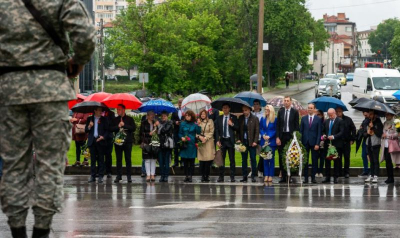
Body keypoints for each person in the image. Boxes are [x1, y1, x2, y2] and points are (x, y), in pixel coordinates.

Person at [0, 0, 95, 236]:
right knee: (50, 164)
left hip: (9, 90)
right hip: (50, 89)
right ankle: (42, 229)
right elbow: (85, 36)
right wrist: (77, 61)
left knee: (13, 164)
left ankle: (17, 230)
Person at [110, 104, 136, 183]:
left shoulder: (130, 119)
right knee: (119, 159)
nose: (118, 111)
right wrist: (118, 126)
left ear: (124, 110)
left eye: (119, 109)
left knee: (128, 159)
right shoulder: (115, 120)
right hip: (118, 142)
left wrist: (124, 125)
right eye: (117, 109)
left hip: (127, 142)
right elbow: (110, 128)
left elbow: (133, 128)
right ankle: (119, 175)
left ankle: (129, 176)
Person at [276, 96, 299, 183]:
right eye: (285, 101)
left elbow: (297, 126)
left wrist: (296, 138)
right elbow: (278, 125)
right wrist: (277, 137)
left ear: (291, 102)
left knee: (291, 156)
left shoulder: (295, 112)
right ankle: (283, 176)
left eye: (287, 101)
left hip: (291, 136)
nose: (286, 102)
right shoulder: (281, 111)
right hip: (282, 136)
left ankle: (290, 176)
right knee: (282, 156)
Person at [215, 103, 239, 182]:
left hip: (230, 141)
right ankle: (221, 176)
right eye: (223, 108)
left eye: (226, 108)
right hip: (222, 141)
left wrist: (231, 124)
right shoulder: (219, 118)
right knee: (222, 159)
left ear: (229, 109)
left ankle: (232, 176)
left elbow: (237, 128)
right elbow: (217, 130)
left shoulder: (233, 117)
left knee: (232, 159)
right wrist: (217, 140)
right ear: (222, 109)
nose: (225, 109)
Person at [85, 107, 109, 184]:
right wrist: (89, 126)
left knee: (101, 159)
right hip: (92, 141)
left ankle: (101, 176)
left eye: (101, 111)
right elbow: (86, 130)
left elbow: (107, 130)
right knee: (93, 159)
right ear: (95, 110)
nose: (100, 112)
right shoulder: (90, 119)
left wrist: (103, 137)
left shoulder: (104, 119)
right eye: (99, 110)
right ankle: (92, 175)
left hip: (100, 141)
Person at [300, 103, 322, 183]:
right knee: (305, 161)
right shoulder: (304, 119)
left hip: (314, 143)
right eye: (308, 108)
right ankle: (305, 178)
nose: (309, 109)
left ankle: (313, 177)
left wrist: (317, 143)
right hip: (305, 142)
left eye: (311, 108)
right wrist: (300, 143)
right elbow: (301, 131)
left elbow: (319, 132)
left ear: (314, 109)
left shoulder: (318, 119)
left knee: (314, 160)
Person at [322, 108, 344, 184]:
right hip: (327, 144)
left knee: (336, 161)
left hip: (336, 144)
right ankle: (327, 176)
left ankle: (336, 177)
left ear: (334, 113)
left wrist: (334, 136)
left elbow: (342, 132)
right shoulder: (326, 121)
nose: (330, 116)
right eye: (329, 115)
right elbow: (324, 130)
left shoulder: (340, 121)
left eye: (331, 115)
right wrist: (324, 135)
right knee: (327, 161)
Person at [237, 105, 260, 182]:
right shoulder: (240, 118)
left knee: (253, 159)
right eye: (243, 110)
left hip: (252, 142)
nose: (244, 112)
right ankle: (244, 176)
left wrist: (255, 141)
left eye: (246, 110)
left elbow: (257, 131)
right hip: (243, 142)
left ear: (249, 110)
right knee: (244, 160)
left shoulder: (255, 118)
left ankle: (253, 175)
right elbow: (238, 130)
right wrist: (238, 139)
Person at [179, 110, 201, 182]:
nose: (187, 117)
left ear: (191, 116)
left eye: (188, 115)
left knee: (191, 162)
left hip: (192, 145)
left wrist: (198, 125)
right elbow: (180, 133)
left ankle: (191, 176)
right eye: (186, 115)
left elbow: (198, 132)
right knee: (185, 161)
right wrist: (181, 137)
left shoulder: (194, 124)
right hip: (185, 145)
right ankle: (186, 175)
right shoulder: (182, 124)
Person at [336, 107, 356, 178]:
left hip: (346, 141)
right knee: (338, 158)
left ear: (342, 112)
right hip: (338, 142)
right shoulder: (335, 120)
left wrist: (352, 139)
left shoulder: (348, 119)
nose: (338, 113)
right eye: (337, 111)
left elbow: (353, 129)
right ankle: (339, 172)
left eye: (340, 111)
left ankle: (346, 172)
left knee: (347, 157)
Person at [197, 109, 216, 182]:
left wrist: (205, 138)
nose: (203, 115)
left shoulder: (210, 121)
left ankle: (207, 175)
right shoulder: (198, 122)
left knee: (208, 161)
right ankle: (202, 176)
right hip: (201, 143)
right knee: (202, 161)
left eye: (204, 114)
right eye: (201, 114)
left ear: (206, 115)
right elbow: (196, 132)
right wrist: (199, 137)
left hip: (208, 143)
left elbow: (211, 131)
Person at [381, 112, 400, 184]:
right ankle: (389, 177)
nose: (386, 116)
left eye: (388, 115)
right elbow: (383, 132)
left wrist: (388, 135)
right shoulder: (385, 123)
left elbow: (397, 134)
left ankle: (391, 178)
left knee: (395, 161)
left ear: (392, 115)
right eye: (386, 114)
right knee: (387, 162)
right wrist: (383, 135)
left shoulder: (396, 123)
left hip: (392, 145)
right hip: (385, 145)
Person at [365, 110, 383, 183]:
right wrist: (367, 131)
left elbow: (379, 134)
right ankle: (371, 174)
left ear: (375, 115)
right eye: (369, 114)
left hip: (376, 143)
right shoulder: (368, 122)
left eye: (371, 114)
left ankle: (376, 175)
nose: (370, 116)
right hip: (369, 143)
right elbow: (365, 133)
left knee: (375, 160)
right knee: (371, 160)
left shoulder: (378, 123)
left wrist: (373, 128)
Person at [259, 105, 277, 182]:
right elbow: (260, 128)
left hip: (271, 141)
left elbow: (275, 129)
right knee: (265, 159)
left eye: (267, 110)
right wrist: (263, 135)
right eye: (265, 109)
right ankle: (266, 175)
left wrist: (269, 136)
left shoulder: (275, 119)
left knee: (271, 159)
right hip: (264, 141)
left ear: (271, 111)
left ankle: (271, 175)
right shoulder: (262, 119)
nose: (266, 111)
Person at [140, 111, 157, 182]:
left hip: (154, 142)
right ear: (147, 116)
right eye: (150, 115)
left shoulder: (155, 123)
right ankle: (148, 174)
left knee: (153, 159)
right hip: (146, 142)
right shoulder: (143, 123)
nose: (152, 116)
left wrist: (157, 127)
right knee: (147, 159)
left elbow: (159, 132)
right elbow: (141, 133)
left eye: (153, 115)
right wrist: (148, 134)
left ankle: (152, 174)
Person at [157, 111, 174, 182]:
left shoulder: (170, 123)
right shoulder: (159, 122)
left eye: (165, 116)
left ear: (167, 116)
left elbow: (165, 130)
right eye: (162, 116)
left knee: (166, 161)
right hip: (160, 144)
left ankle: (166, 175)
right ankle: (162, 175)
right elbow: (158, 133)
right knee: (161, 161)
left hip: (167, 144)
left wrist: (159, 126)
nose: (163, 117)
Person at [252, 99, 264, 178]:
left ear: (259, 105)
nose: (256, 106)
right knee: (252, 156)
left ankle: (260, 170)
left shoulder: (262, 115)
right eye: (254, 104)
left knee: (261, 155)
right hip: (252, 138)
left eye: (257, 104)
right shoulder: (251, 114)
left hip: (260, 137)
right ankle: (253, 170)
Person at [171, 98, 184, 167]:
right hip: (176, 131)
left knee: (182, 147)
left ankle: (182, 161)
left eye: (181, 102)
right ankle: (176, 162)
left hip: (183, 132)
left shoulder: (186, 111)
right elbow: (171, 120)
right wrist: (175, 122)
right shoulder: (174, 110)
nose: (180, 104)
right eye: (179, 102)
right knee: (176, 147)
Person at [103, 110, 116, 178]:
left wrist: (105, 119)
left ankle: (109, 171)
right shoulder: (97, 113)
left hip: (108, 137)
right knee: (100, 155)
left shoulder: (111, 114)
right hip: (100, 137)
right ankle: (100, 170)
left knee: (108, 154)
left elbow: (112, 125)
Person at [358, 112, 370, 177]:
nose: (365, 114)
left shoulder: (371, 120)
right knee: (364, 155)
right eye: (364, 113)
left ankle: (369, 170)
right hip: (365, 140)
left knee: (369, 156)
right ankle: (366, 170)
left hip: (369, 140)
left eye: (366, 113)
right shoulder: (365, 120)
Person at [315, 109, 325, 177]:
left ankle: (320, 171)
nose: (318, 116)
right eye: (316, 114)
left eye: (319, 114)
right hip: (316, 141)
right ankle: (316, 171)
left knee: (322, 157)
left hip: (323, 142)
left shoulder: (324, 122)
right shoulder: (315, 121)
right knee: (315, 157)